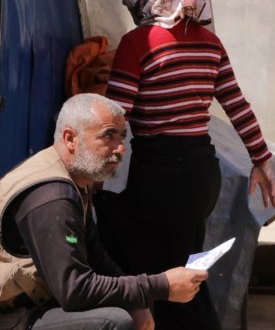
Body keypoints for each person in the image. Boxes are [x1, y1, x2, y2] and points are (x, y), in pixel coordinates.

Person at [97, 0, 275, 330]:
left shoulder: (139, 42)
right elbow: (237, 105)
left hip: (159, 176)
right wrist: (261, 160)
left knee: (147, 262)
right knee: (178, 264)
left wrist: (91, 169)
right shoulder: (211, 44)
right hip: (201, 176)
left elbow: (115, 117)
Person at [0, 93, 206, 330]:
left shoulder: (75, 181)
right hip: (9, 315)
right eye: (108, 135)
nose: (121, 148)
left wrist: (138, 302)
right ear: (70, 139)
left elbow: (96, 258)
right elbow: (74, 290)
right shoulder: (52, 196)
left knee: (132, 305)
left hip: (31, 307)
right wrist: (161, 285)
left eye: (122, 137)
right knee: (114, 322)